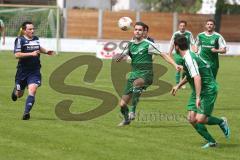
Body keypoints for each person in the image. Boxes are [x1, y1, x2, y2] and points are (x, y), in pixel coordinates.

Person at [116, 21, 181, 126]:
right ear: (133, 31)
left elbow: (163, 54)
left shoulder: (149, 44)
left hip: (146, 75)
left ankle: (133, 111)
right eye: (136, 29)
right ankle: (126, 119)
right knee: (122, 104)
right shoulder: (130, 44)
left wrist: (175, 64)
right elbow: (123, 55)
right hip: (134, 74)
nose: (137, 32)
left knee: (137, 83)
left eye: (140, 30)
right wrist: (120, 57)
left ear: (143, 32)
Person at [171, 35, 230, 148]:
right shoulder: (188, 57)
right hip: (198, 89)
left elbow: (197, 77)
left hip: (208, 89)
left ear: (176, 47)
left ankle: (221, 122)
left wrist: (198, 97)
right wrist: (178, 86)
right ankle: (212, 142)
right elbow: (190, 76)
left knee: (200, 119)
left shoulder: (189, 58)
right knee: (191, 119)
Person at [11, 21, 55, 120]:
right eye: (30, 29)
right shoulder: (19, 40)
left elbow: (38, 48)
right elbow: (17, 55)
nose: (33, 31)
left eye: (33, 29)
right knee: (19, 95)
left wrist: (47, 51)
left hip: (34, 71)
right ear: (24, 30)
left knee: (33, 90)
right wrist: (31, 54)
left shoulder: (36, 39)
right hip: (22, 71)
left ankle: (26, 113)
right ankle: (15, 91)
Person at [168, 20, 195, 88]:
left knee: (185, 69)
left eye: (183, 26)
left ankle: (182, 83)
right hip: (178, 55)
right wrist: (169, 53)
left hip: (187, 55)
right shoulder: (176, 34)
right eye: (181, 26)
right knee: (178, 69)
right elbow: (172, 44)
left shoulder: (189, 34)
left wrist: (194, 52)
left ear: (185, 26)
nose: (182, 27)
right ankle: (177, 83)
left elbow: (192, 43)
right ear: (179, 26)